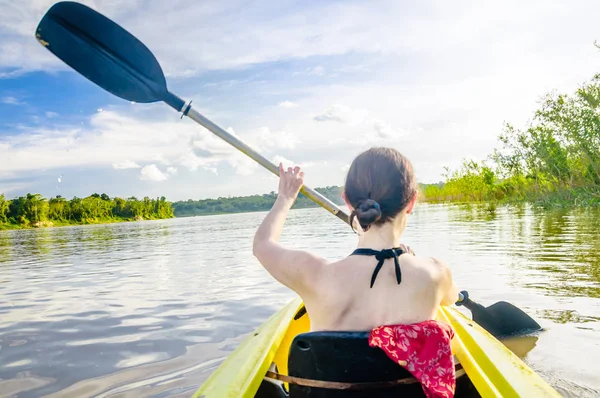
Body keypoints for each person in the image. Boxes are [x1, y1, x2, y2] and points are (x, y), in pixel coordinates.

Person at [252, 147, 460, 398]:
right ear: (412, 202)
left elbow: (262, 245)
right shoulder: (436, 273)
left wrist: (286, 197)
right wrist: (412, 260)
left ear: (348, 201)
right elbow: (452, 299)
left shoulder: (314, 274)